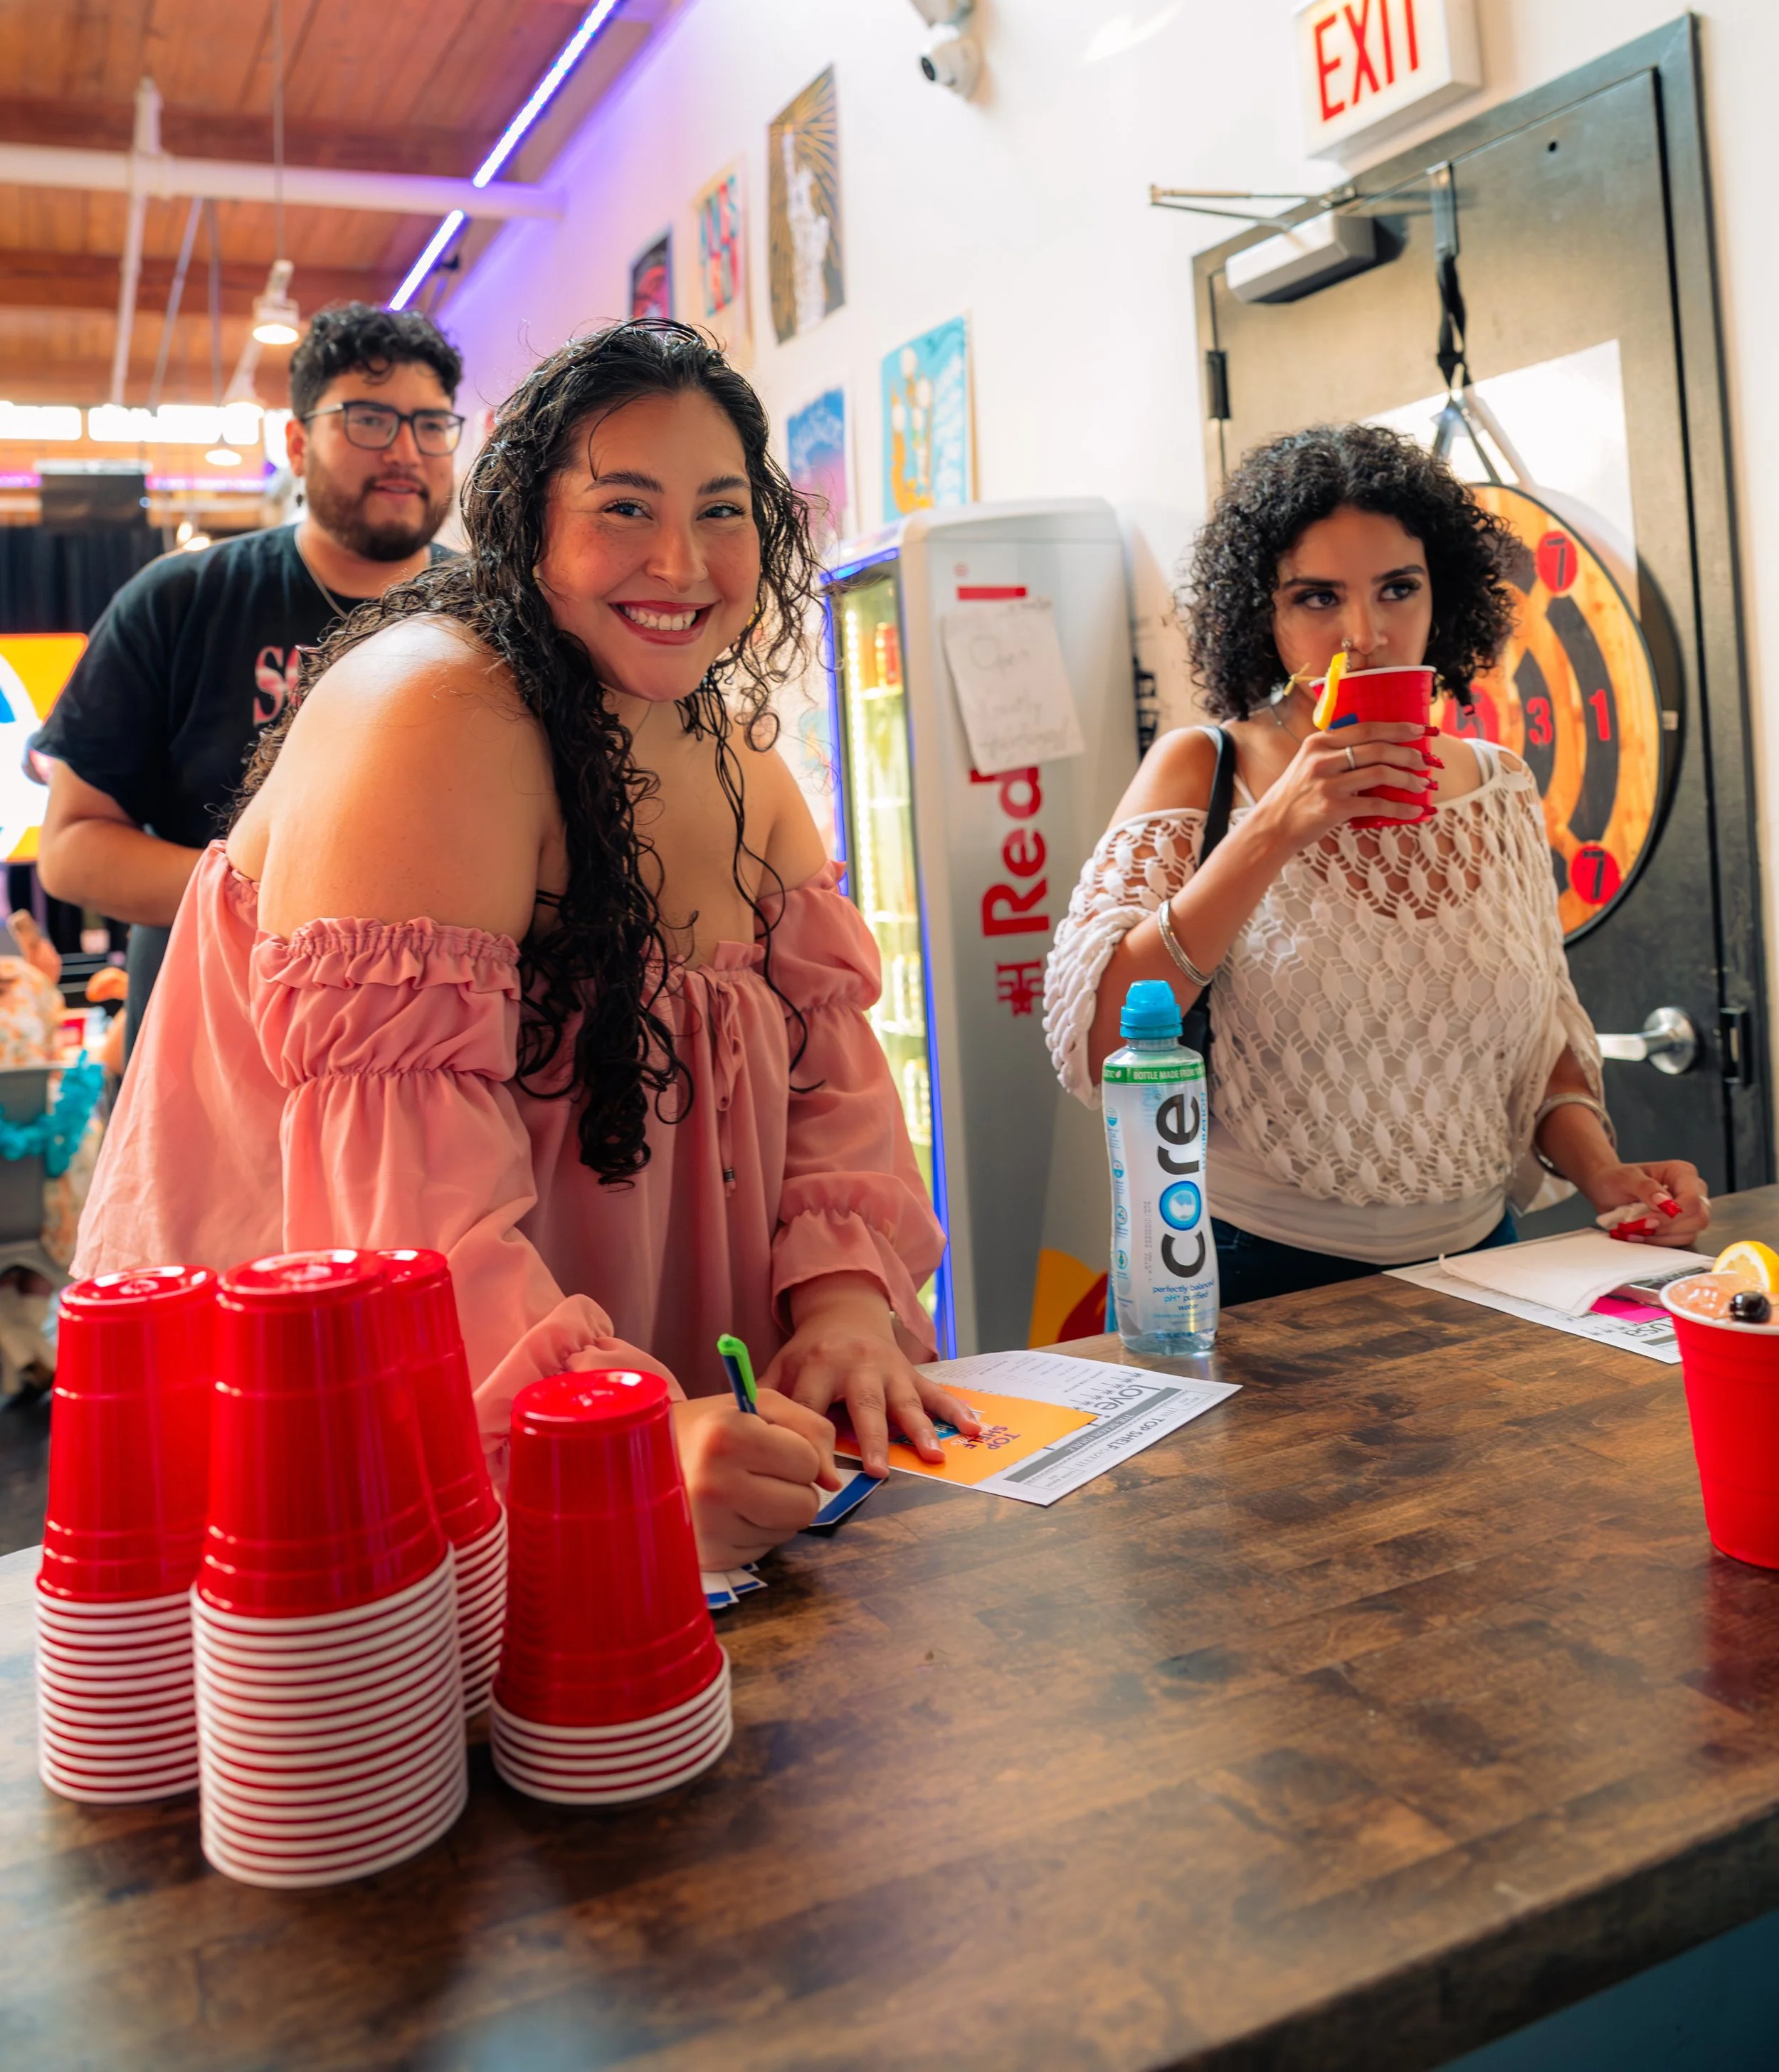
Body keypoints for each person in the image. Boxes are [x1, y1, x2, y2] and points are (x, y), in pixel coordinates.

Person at [75, 322, 968, 1568]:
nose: (680, 559)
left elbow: (834, 1079)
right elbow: (401, 1228)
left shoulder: (731, 749)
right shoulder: (434, 711)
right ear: (525, 526)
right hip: (383, 1444)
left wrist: (845, 1303)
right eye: (623, 506)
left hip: (684, 1462)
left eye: (722, 510)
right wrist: (619, 1437)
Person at [1044, 423, 1709, 1305]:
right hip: (1263, 1275)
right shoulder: (1205, 769)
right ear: (1262, 616)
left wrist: (1603, 1173)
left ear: (1446, 596)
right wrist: (1272, 829)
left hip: (1489, 1263)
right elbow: (1097, 1035)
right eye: (1317, 598)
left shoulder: (1500, 786)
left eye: (1399, 588)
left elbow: (1536, 1046)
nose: (1367, 633)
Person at [35, 305, 465, 1053]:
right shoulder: (180, 601)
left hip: (422, 1047)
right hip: (204, 1034)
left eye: (430, 425)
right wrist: (290, 899)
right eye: (368, 420)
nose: (405, 451)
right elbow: (72, 849)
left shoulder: (496, 619)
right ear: (297, 444)